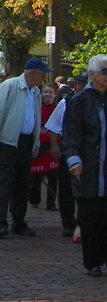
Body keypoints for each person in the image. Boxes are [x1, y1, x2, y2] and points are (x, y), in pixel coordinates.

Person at [61, 54, 107, 276]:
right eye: (104, 72)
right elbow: (70, 134)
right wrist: (73, 160)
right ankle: (92, 261)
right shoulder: (79, 101)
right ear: (92, 74)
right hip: (88, 168)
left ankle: (104, 251)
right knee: (88, 219)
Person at [0, 58, 54, 238]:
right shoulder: (10, 85)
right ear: (32, 73)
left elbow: (35, 117)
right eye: (41, 74)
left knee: (23, 184)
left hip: (25, 142)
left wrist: (36, 141)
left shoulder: (36, 92)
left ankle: (19, 222)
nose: (43, 78)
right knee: (5, 182)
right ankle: (1, 222)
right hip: (7, 141)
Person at [46, 72, 88, 237]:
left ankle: (84, 223)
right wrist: (55, 146)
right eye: (81, 84)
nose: (83, 87)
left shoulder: (100, 103)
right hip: (69, 149)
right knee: (66, 189)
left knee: (87, 189)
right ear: (77, 86)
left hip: (90, 152)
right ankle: (69, 223)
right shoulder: (66, 102)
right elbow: (53, 126)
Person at [29, 83, 59, 211]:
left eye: (50, 92)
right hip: (39, 144)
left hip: (54, 145)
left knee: (53, 175)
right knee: (36, 173)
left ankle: (51, 202)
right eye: (45, 92)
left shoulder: (58, 109)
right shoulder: (37, 108)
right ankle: (34, 199)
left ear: (55, 94)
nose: (47, 95)